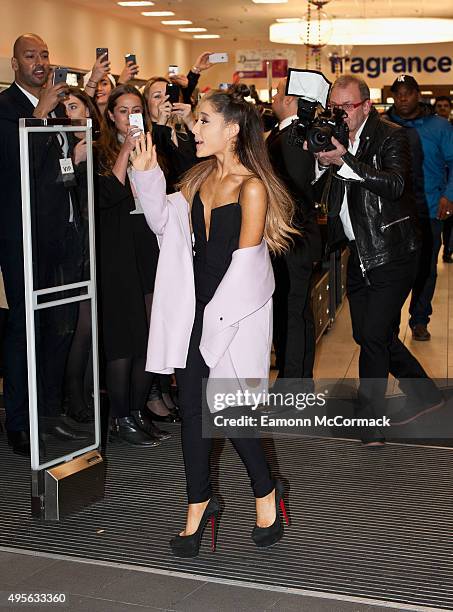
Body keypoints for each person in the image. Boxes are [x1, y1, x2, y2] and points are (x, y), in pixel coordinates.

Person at [131, 84, 295, 556]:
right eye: (195, 120)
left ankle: (265, 491)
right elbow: (164, 226)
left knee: (232, 411)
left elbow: (247, 265)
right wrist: (147, 177)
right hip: (191, 313)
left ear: (232, 128)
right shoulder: (197, 177)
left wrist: (214, 324)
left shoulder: (253, 186)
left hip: (233, 314)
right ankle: (199, 504)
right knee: (194, 418)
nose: (194, 128)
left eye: (204, 120)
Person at [313, 74, 443, 445]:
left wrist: (346, 160)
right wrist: (325, 162)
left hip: (394, 251)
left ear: (366, 106)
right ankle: (424, 391)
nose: (340, 114)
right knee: (369, 333)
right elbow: (318, 185)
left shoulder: (392, 136)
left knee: (372, 337)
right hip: (359, 252)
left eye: (347, 107)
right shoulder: (334, 135)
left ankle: (370, 423)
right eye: (334, 107)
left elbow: (395, 184)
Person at [0, 33, 88, 457]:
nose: (40, 62)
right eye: (30, 56)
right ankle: (17, 420)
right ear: (14, 64)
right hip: (23, 238)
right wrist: (38, 114)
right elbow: (18, 171)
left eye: (45, 55)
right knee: (24, 328)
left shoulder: (55, 109)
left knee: (60, 327)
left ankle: (49, 412)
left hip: (63, 235)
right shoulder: (7, 110)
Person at [94, 84, 168, 446]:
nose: (129, 117)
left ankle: (138, 411)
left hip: (149, 246)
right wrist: (125, 149)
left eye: (135, 109)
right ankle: (120, 417)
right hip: (117, 251)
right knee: (124, 340)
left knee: (150, 337)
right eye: (122, 110)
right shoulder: (98, 150)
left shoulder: (152, 148)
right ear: (111, 116)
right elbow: (107, 194)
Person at [385, 76, 453, 340]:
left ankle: (420, 319)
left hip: (429, 207)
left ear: (418, 95)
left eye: (408, 93)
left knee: (425, 268)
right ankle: (389, 320)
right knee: (391, 269)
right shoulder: (383, 125)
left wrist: (449, 195)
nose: (402, 98)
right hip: (391, 211)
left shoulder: (440, 127)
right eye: (398, 93)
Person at [267, 77, 322, 383]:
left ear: (289, 100)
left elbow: (295, 190)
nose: (273, 98)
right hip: (289, 239)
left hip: (293, 239)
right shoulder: (286, 134)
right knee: (293, 313)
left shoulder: (293, 136)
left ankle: (293, 385)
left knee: (293, 315)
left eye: (277, 94)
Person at [434, 96, 453, 264]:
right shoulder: (430, 131)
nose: (442, 109)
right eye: (439, 106)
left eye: (445, 106)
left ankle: (448, 250)